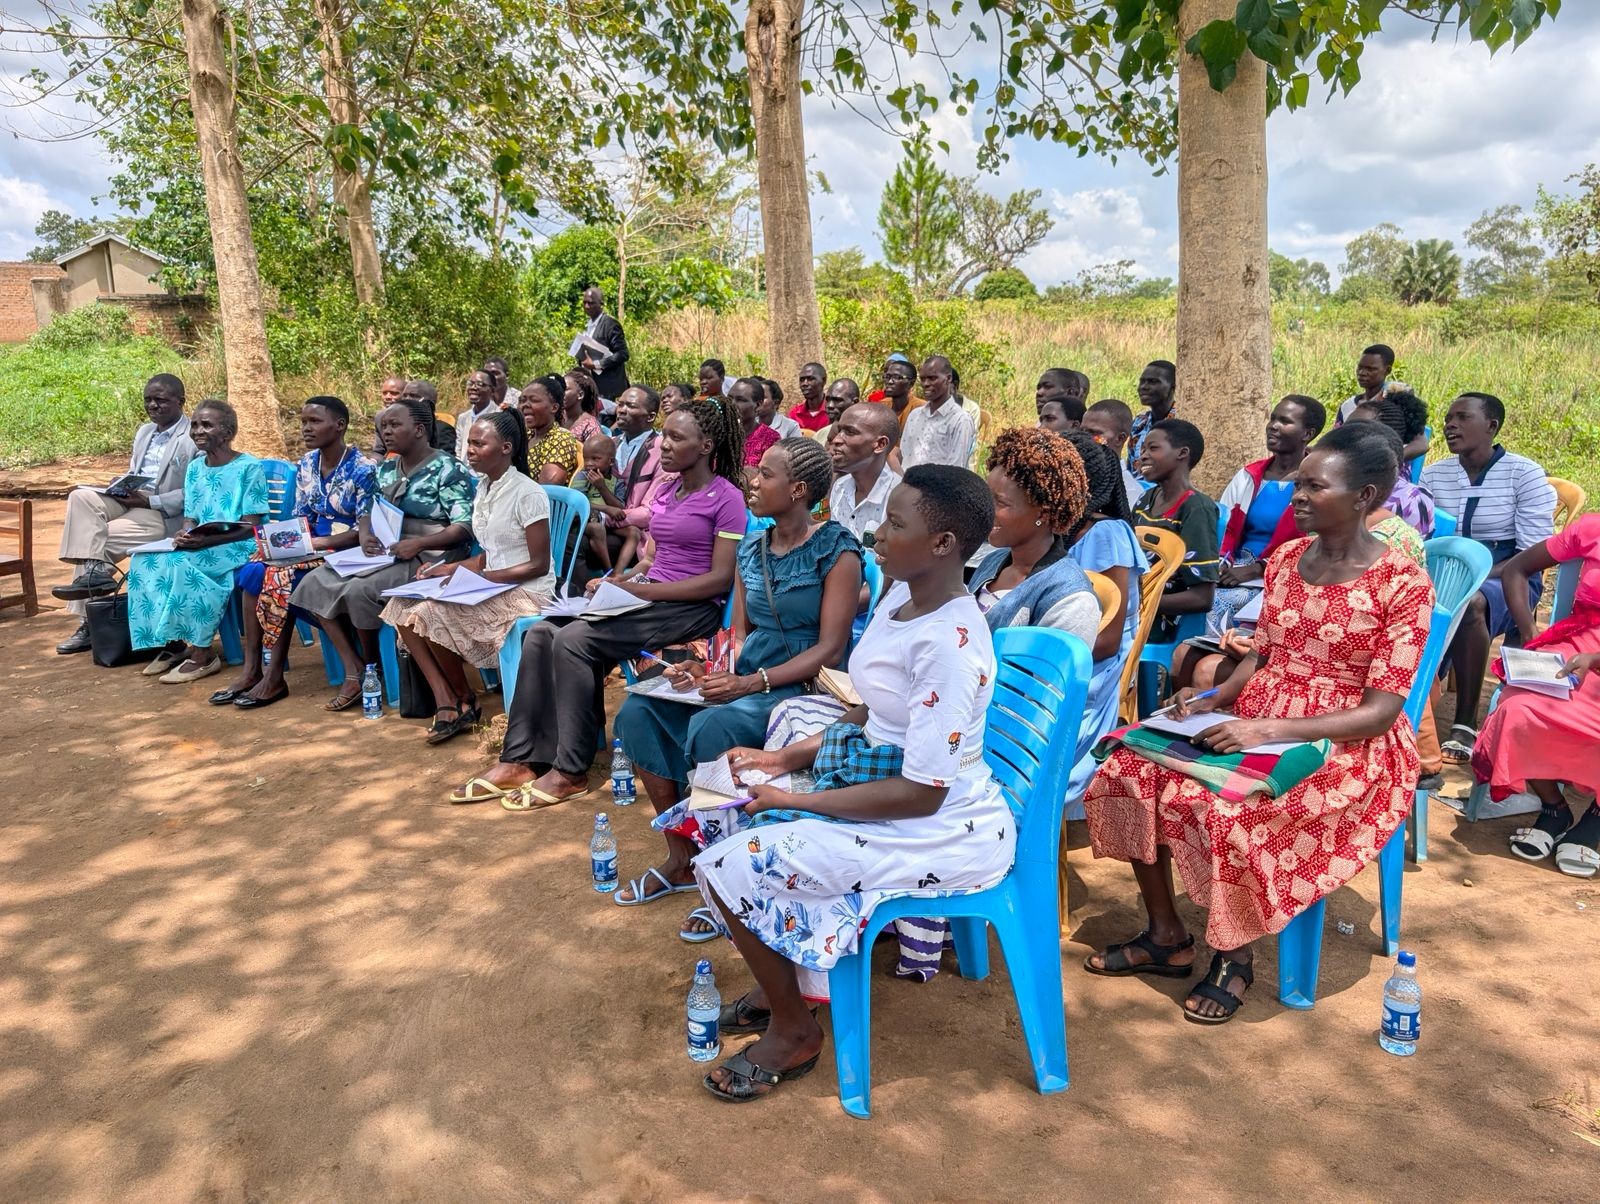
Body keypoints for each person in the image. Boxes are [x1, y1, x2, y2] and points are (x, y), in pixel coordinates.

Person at [1082, 424, 1433, 1024]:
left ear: (1365, 497)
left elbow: (1381, 711)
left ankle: (1233, 956)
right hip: (1259, 716)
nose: (1298, 496)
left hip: (1345, 742)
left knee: (1229, 811)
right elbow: (1264, 656)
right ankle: (1167, 935)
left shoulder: (1402, 582)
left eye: (1315, 487)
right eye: (1299, 484)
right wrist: (1211, 698)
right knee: (1129, 770)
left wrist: (1265, 731)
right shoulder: (1289, 559)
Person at [691, 466, 1015, 1101]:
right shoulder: (902, 595)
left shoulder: (948, 646)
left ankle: (794, 1030)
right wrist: (783, 760)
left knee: (733, 861)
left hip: (938, 828)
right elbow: (875, 709)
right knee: (726, 800)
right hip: (890, 783)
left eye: (895, 523)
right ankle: (784, 983)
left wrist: (800, 799)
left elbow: (924, 792)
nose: (877, 534)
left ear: (943, 543)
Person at [453, 397, 748, 807]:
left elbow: (718, 578)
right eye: (664, 436)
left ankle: (570, 770)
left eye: (676, 438)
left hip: (689, 607)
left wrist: (640, 592)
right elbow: (651, 559)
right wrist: (617, 582)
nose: (663, 445)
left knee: (574, 640)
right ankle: (520, 758)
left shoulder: (726, 498)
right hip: (646, 597)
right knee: (541, 634)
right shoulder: (668, 489)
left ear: (706, 446)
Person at [613, 437, 862, 907]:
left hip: (802, 687)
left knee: (714, 725)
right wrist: (705, 668)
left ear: (798, 490)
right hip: (748, 680)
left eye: (766, 474)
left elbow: (831, 648)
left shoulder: (837, 550)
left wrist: (751, 683)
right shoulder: (752, 549)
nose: (753, 481)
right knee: (638, 712)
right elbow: (741, 636)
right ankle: (683, 855)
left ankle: (728, 878)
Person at [892, 426, 1101, 981]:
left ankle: (898, 898)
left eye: (1000, 503)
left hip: (999, 757)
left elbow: (1035, 717)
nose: (987, 513)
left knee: (874, 770)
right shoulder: (993, 563)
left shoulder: (1069, 598)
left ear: (1045, 513)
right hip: (954, 727)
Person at [382, 411, 556, 743]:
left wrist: (482, 579)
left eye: (478, 444)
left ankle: (463, 698)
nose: (469, 451)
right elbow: (493, 551)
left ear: (505, 448)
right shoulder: (484, 488)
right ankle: (448, 699)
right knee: (402, 604)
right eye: (469, 443)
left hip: (527, 591)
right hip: (491, 582)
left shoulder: (527, 493)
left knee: (429, 612)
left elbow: (538, 565)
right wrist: (450, 569)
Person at [292, 397, 475, 706]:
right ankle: (355, 668)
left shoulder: (447, 467)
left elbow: (463, 527)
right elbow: (368, 511)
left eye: (394, 425)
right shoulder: (388, 467)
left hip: (433, 554)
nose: (386, 431)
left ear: (419, 430)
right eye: (384, 426)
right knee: (315, 581)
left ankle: (372, 663)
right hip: (391, 548)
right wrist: (366, 534)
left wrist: (420, 544)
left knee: (360, 591)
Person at [212, 396, 378, 709]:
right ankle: (253, 669)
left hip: (347, 549)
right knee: (253, 570)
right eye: (303, 422)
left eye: (315, 421)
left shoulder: (363, 469)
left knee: (281, 576)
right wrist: (283, 543)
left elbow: (365, 529)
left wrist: (314, 545)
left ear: (339, 425)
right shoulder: (307, 464)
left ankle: (281, 674)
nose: (306, 428)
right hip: (310, 547)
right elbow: (301, 519)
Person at [1421, 392, 1557, 761]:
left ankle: (1465, 722)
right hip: (1447, 568)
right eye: (1448, 418)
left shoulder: (1524, 473)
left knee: (1472, 603)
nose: (1450, 425)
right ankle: (1419, 704)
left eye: (1462, 417)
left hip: (1509, 572)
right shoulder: (1435, 475)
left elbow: (1532, 552)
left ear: (1491, 426)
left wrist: (1472, 577)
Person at [1480, 514, 1600, 875]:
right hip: (1575, 647)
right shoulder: (1592, 528)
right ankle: (1554, 807)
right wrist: (1532, 636)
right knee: (1518, 708)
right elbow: (1516, 569)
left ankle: (1596, 818)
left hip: (1592, 658)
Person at [54, 373, 198, 654]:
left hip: (159, 513)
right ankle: (94, 579)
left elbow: (194, 490)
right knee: (80, 497)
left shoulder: (193, 436)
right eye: (148, 400)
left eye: (161, 400)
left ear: (180, 401)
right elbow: (136, 470)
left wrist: (151, 500)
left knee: (92, 543)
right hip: (130, 500)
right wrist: (120, 484)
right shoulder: (145, 432)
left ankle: (89, 622)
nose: (153, 405)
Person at [125, 400, 267, 683]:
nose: (198, 431)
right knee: (144, 561)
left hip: (241, 544)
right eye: (195, 425)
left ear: (227, 433)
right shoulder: (195, 468)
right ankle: (173, 642)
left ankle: (203, 653)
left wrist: (206, 542)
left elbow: (251, 526)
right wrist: (186, 532)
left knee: (184, 564)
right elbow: (191, 516)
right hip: (202, 543)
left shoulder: (248, 467)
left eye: (207, 425)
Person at [1057, 429, 1144, 808]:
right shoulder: (1067, 528)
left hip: (1092, 663)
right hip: (1069, 647)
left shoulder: (1105, 533)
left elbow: (1107, 639)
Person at [1205, 394, 1326, 635]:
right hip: (1233, 568)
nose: (1273, 426)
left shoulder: (1316, 484)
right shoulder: (1249, 476)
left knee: (1217, 602)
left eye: (1285, 421)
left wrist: (1258, 569)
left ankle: (1214, 656)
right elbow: (1222, 526)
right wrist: (1222, 564)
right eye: (1272, 419)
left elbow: (1315, 541)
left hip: (1284, 576)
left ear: (1307, 434)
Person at [1132, 419, 1220, 642]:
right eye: (1142, 450)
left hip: (1158, 619)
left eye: (1153, 448)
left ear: (1182, 453)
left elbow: (1202, 597)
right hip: (1132, 606)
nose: (1143, 456)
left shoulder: (1196, 508)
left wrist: (1136, 603)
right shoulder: (1146, 499)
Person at [1346, 393, 1435, 536]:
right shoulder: (1326, 479)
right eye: (1344, 430)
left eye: (1357, 433)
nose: (1342, 438)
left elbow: (1412, 548)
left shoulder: (1410, 500)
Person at [827, 403, 901, 543]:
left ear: (880, 444)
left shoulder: (899, 498)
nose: (836, 440)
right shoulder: (840, 487)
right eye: (840, 430)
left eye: (850, 432)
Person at [1335, 345, 1422, 456]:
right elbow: (1336, 440)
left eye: (1370, 369)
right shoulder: (1348, 405)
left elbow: (1421, 443)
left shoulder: (1397, 402)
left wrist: (1387, 461)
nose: (1362, 373)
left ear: (1387, 370)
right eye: (1360, 367)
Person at [900, 355, 976, 470]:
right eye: (923, 379)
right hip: (907, 480)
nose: (925, 384)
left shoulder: (960, 420)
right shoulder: (915, 415)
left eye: (932, 378)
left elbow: (956, 469)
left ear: (948, 378)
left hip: (940, 482)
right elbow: (904, 456)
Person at [518, 375, 581, 485]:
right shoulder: (525, 434)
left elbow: (548, 488)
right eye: (522, 401)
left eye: (534, 400)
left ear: (554, 407)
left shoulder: (560, 438)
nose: (525, 405)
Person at [1081, 399, 1143, 508]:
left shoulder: (1130, 493)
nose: (1083, 438)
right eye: (1082, 431)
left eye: (1094, 433)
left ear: (1120, 438)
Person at [574, 434, 619, 571]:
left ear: (611, 461)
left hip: (608, 521)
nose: (589, 463)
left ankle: (620, 570)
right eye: (586, 458)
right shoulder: (582, 476)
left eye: (595, 459)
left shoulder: (616, 481)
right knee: (597, 529)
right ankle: (608, 570)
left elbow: (619, 508)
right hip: (583, 521)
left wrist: (602, 487)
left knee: (633, 533)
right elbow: (578, 504)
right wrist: (606, 509)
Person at [575, 286, 629, 401]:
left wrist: (596, 364)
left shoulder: (610, 324)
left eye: (591, 303)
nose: (587, 306)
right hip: (595, 387)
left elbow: (623, 354)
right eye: (584, 303)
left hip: (610, 390)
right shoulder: (589, 325)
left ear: (601, 304)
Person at [375, 381, 452, 457]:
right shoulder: (391, 464)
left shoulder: (442, 430)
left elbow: (445, 457)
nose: (407, 399)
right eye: (404, 396)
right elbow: (379, 451)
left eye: (413, 396)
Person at [1127, 360, 1177, 469]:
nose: (1143, 387)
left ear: (1173, 387)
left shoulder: (1181, 422)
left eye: (1153, 382)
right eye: (1142, 382)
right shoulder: (1138, 424)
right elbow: (1131, 468)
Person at [732, 378, 781, 468]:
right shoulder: (720, 433)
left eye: (740, 400)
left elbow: (769, 473)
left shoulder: (770, 438)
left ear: (758, 405)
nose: (732, 404)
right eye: (729, 398)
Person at [456, 369, 503, 462]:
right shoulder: (463, 418)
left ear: (492, 390)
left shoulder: (500, 417)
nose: (473, 387)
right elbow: (458, 451)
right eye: (470, 383)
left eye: (480, 384)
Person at [874, 354, 921, 428]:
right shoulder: (882, 406)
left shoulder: (920, 409)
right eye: (888, 377)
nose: (890, 381)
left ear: (911, 383)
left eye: (896, 377)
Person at [811, 377, 859, 446]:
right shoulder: (820, 435)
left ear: (855, 402)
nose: (830, 405)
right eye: (828, 400)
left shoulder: (865, 437)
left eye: (837, 400)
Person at [562, 369, 605, 443]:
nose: (560, 392)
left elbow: (595, 449)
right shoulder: (554, 418)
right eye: (560, 387)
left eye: (565, 389)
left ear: (580, 395)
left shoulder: (590, 425)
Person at [789, 362, 831, 432]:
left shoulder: (832, 411)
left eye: (811, 379)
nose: (805, 383)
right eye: (802, 380)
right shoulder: (795, 414)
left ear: (824, 381)